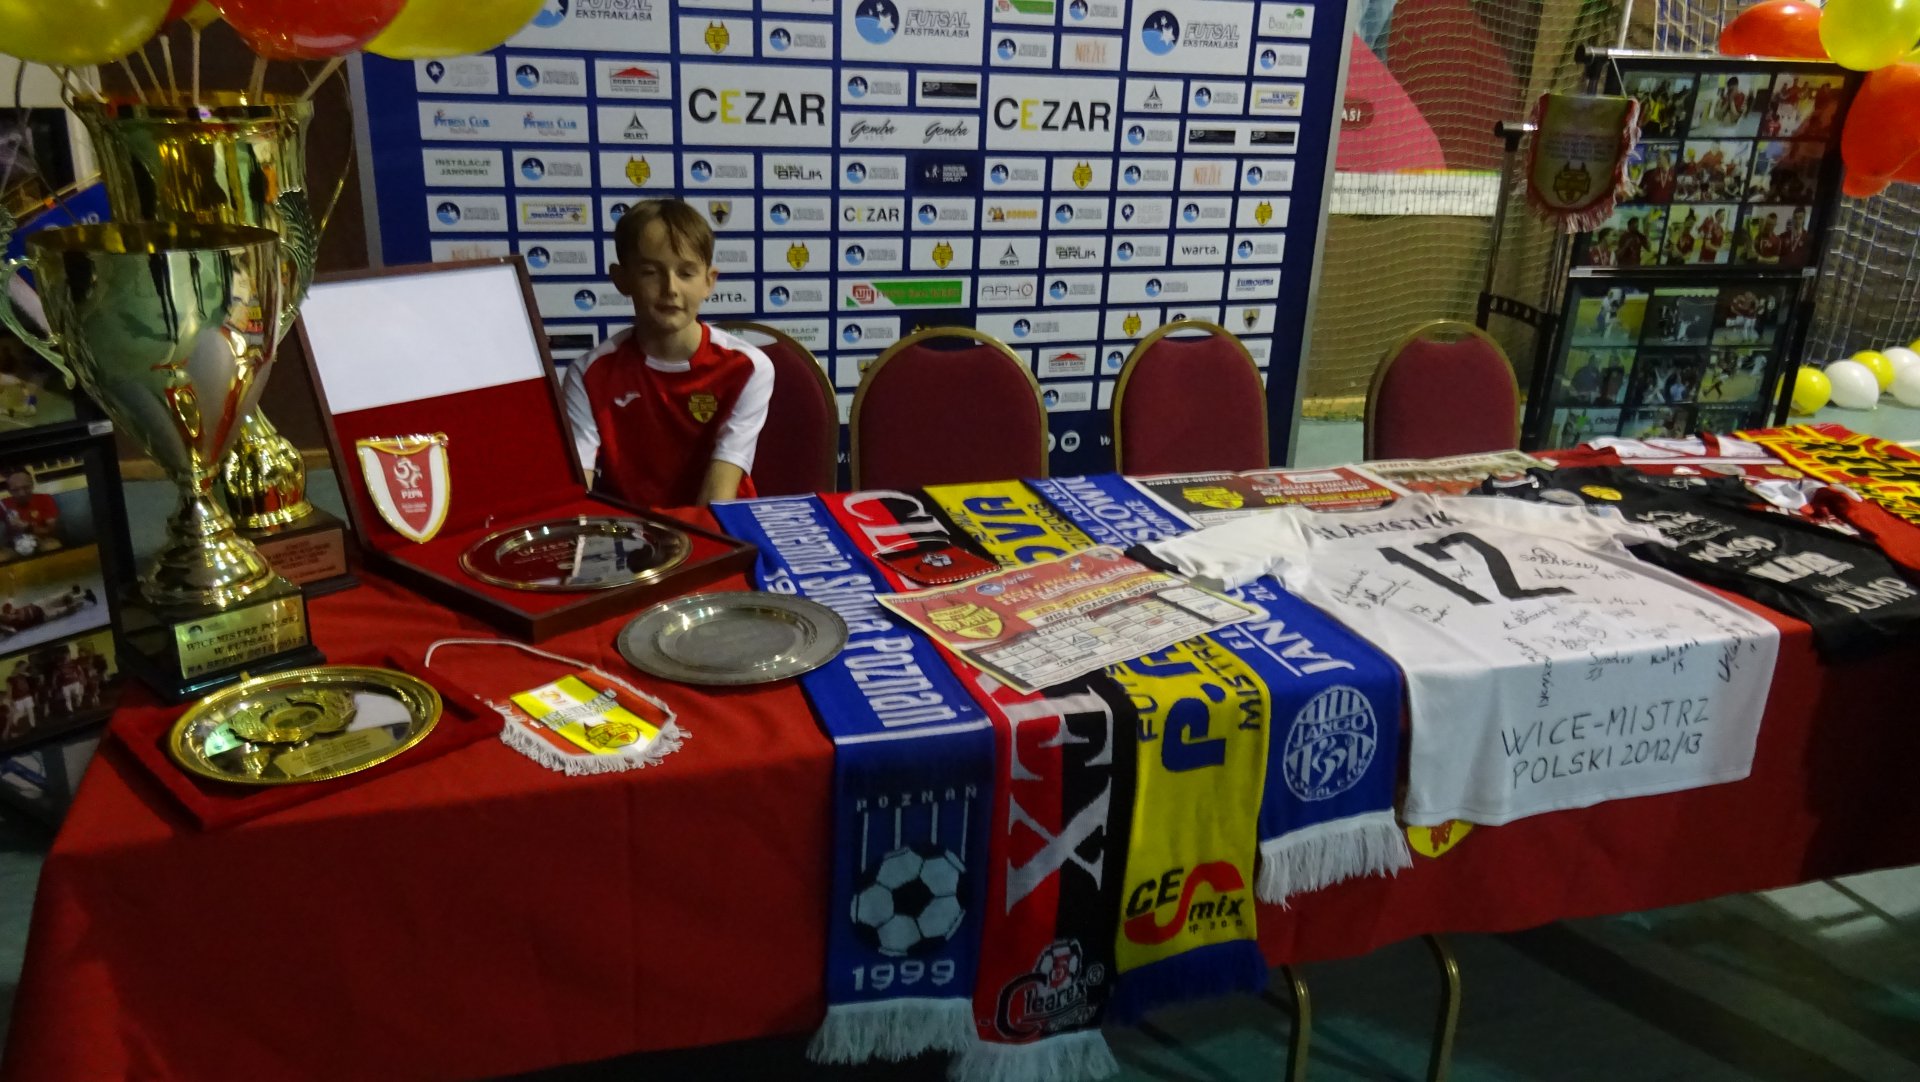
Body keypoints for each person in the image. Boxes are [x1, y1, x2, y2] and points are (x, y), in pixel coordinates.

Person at [561, 199, 773, 507]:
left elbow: (718, 494)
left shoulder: (748, 368)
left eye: (686, 273)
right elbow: (577, 494)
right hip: (631, 533)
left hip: (715, 528)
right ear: (622, 279)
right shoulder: (588, 374)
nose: (670, 288)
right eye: (650, 272)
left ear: (708, 282)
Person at [3, 469, 59, 542]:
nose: (22, 493)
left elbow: (50, 530)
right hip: (13, 544)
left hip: (43, 541)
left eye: (26, 487)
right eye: (15, 490)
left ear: (32, 485)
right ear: (9, 491)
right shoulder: (3, 504)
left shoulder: (45, 499)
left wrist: (27, 527)